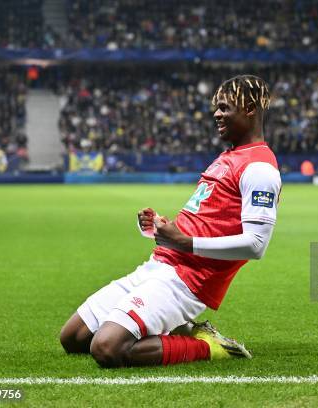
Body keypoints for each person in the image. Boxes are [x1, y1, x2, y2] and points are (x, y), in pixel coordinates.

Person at [59, 75, 281, 368]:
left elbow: (256, 245)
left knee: (107, 348)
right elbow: (204, 220)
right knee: (73, 337)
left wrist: (184, 242)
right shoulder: (228, 157)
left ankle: (206, 347)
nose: (216, 114)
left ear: (250, 108)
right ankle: (182, 329)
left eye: (225, 108)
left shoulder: (260, 169)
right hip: (160, 266)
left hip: (188, 283)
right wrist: (160, 227)